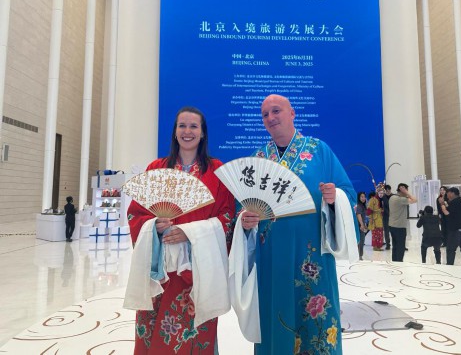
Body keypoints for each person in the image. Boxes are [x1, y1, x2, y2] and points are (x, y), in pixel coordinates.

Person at [239, 94, 357, 355]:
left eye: (276, 111)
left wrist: (334, 198)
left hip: (312, 257)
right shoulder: (258, 159)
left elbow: (348, 194)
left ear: (292, 113)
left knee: (316, 322)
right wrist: (245, 220)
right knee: (274, 317)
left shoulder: (319, 151)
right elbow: (243, 208)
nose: (270, 117)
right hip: (271, 259)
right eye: (265, 114)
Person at [127, 106, 236, 354]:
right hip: (160, 267)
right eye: (182, 126)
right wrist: (153, 225)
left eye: (193, 126)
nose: (187, 131)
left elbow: (227, 217)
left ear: (203, 133)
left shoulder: (216, 171)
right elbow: (136, 214)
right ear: (175, 132)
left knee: (194, 333)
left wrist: (191, 233)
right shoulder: (156, 168)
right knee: (154, 329)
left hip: (197, 268)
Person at [440, 187, 461, 267]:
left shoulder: (454, 202)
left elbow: (447, 213)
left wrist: (442, 205)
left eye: (448, 193)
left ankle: (450, 266)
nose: (447, 195)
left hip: (455, 230)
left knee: (450, 249)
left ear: (453, 193)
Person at [388, 183, 417, 262]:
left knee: (395, 246)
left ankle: (394, 262)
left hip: (392, 225)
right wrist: (406, 192)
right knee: (400, 247)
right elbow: (415, 200)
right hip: (399, 227)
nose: (407, 192)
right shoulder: (400, 200)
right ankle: (399, 263)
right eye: (406, 190)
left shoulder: (392, 197)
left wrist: (405, 193)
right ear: (402, 190)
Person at [356, 191, 370, 260]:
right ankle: (359, 256)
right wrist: (362, 225)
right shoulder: (359, 205)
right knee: (361, 241)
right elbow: (358, 215)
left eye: (364, 197)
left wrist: (364, 224)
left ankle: (359, 255)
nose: (363, 198)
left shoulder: (363, 205)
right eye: (361, 197)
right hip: (359, 225)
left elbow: (363, 216)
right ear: (359, 198)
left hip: (361, 224)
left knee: (361, 241)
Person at [381, 184, 393, 250]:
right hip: (385, 217)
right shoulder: (383, 197)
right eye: (387, 190)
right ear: (385, 190)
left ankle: (395, 244)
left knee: (394, 231)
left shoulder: (394, 196)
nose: (388, 191)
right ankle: (388, 244)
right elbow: (383, 207)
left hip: (393, 217)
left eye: (389, 190)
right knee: (386, 231)